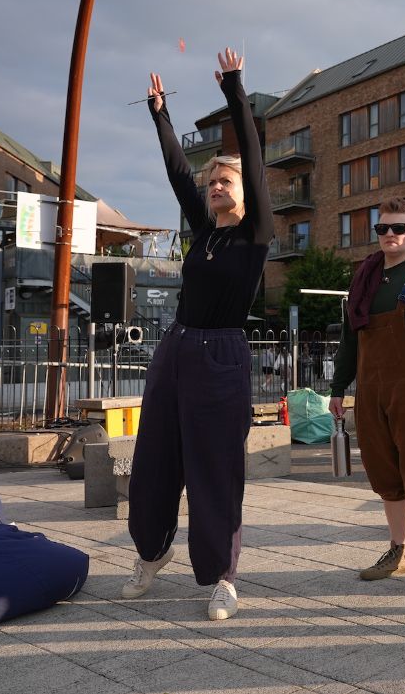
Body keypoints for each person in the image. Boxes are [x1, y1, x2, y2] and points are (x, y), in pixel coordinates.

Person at [123, 49, 271, 621]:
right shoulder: (204, 232)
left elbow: (256, 161)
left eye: (225, 178)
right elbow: (178, 171)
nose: (214, 185)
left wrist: (235, 88)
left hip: (223, 356)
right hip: (177, 348)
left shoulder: (256, 232)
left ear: (243, 189)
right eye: (212, 181)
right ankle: (150, 553)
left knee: (214, 467)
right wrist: (160, 114)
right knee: (154, 457)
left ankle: (221, 578)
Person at [329, 198, 405, 594]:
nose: (389, 235)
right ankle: (400, 552)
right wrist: (337, 388)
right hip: (371, 393)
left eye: (398, 228)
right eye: (382, 229)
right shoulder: (364, 280)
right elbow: (350, 341)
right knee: (386, 474)